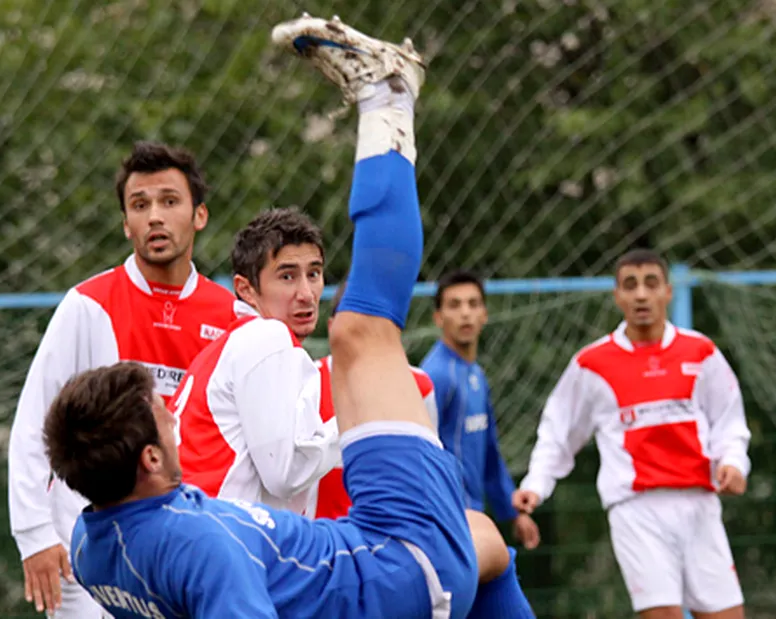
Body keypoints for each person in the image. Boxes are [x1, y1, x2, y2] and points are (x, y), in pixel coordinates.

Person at [43, 15, 533, 617]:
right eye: (158, 415)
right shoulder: (202, 539)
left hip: (372, 552)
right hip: (400, 567)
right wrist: (347, 425)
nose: (171, 410)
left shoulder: (94, 545)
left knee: (484, 543)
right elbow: (271, 489)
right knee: (361, 330)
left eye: (312, 273)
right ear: (147, 458)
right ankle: (387, 95)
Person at [7, 141, 237, 616]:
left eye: (169, 201)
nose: (155, 216)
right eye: (140, 205)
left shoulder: (233, 316)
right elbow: (34, 421)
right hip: (88, 552)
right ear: (125, 223)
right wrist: (33, 534)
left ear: (199, 216)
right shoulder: (88, 305)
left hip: (191, 545)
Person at [513, 249, 750, 619]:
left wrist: (734, 463)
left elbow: (729, 421)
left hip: (700, 504)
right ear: (617, 295)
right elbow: (558, 431)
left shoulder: (700, 352)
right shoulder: (591, 363)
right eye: (630, 285)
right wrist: (536, 485)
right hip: (637, 511)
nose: (641, 294)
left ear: (667, 292)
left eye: (651, 283)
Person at [169, 207, 340, 517]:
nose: (306, 293)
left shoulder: (235, 342)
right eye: (287, 276)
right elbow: (285, 474)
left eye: (313, 274)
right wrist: (357, 422)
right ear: (246, 289)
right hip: (212, 533)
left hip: (191, 528)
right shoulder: (267, 337)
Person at [421, 269, 541, 550]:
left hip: (472, 518)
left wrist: (512, 512)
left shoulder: (475, 374)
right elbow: (418, 454)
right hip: (444, 521)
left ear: (484, 314)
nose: (465, 313)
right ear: (438, 317)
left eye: (473, 304)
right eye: (455, 305)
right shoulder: (436, 376)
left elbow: (488, 451)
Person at [313, 281, 439, 520]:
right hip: (324, 544)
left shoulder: (420, 387)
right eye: (355, 326)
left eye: (374, 325)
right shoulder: (307, 382)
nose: (364, 336)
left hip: (393, 541)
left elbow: (426, 473)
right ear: (333, 328)